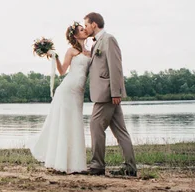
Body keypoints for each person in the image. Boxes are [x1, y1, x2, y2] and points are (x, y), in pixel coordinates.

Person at [30, 22, 91, 174]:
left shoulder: (90, 52)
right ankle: (61, 162)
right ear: (75, 35)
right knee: (64, 124)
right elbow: (63, 70)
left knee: (75, 123)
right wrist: (55, 57)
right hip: (67, 90)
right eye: (82, 30)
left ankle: (77, 164)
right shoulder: (71, 51)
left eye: (84, 29)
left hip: (78, 92)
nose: (85, 31)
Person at [83, 12, 137, 176]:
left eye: (86, 25)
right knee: (120, 130)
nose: (85, 28)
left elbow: (115, 67)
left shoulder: (109, 39)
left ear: (94, 24)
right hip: (105, 93)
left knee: (95, 125)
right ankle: (130, 168)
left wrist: (115, 92)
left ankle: (97, 165)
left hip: (107, 94)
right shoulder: (97, 43)